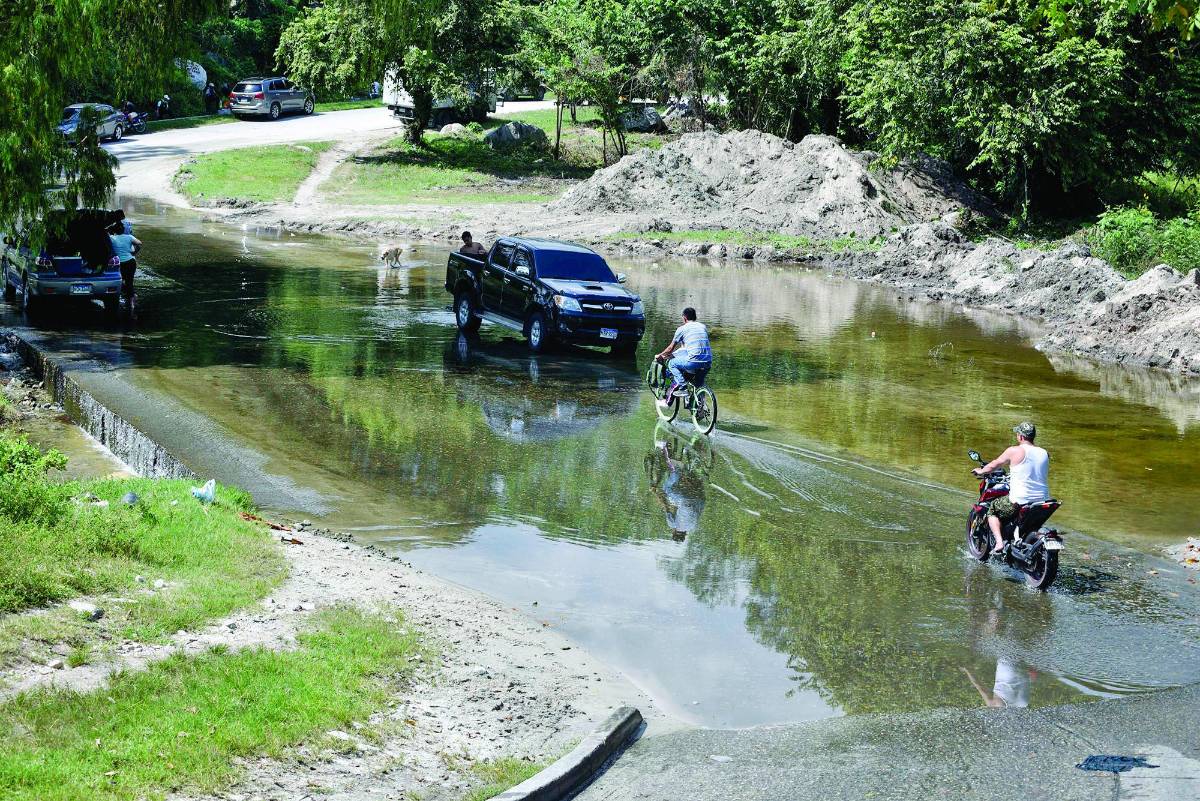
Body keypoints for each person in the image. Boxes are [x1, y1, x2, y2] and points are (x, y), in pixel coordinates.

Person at [972, 421, 1049, 553]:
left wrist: (981, 471)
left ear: (1021, 436)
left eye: (1017, 434)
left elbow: (995, 464)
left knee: (993, 509)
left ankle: (999, 542)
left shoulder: (1014, 450)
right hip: (1042, 500)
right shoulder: (1044, 453)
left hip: (1021, 500)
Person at [655, 307, 713, 405]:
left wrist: (660, 356)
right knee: (698, 384)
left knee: (672, 364)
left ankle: (682, 386)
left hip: (693, 361)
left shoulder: (681, 329)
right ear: (695, 317)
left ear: (684, 318)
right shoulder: (703, 326)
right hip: (708, 361)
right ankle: (700, 409)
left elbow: (670, 349)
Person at [108, 222, 142, 318]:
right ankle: (131, 303)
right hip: (130, 262)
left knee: (120, 281)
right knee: (129, 281)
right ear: (123, 230)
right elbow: (139, 243)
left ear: (114, 230)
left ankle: (120, 300)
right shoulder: (129, 237)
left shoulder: (112, 238)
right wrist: (134, 252)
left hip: (119, 264)